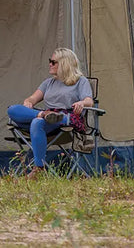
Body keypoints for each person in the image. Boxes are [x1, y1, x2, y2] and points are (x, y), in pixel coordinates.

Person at [7, 47, 93, 178]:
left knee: (37, 122)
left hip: (66, 120)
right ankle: (43, 115)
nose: (50, 64)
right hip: (46, 116)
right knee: (12, 109)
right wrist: (28, 102)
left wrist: (82, 103)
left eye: (53, 62)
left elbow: (89, 101)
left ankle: (38, 169)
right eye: (50, 61)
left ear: (64, 63)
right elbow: (32, 98)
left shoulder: (80, 81)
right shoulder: (48, 83)